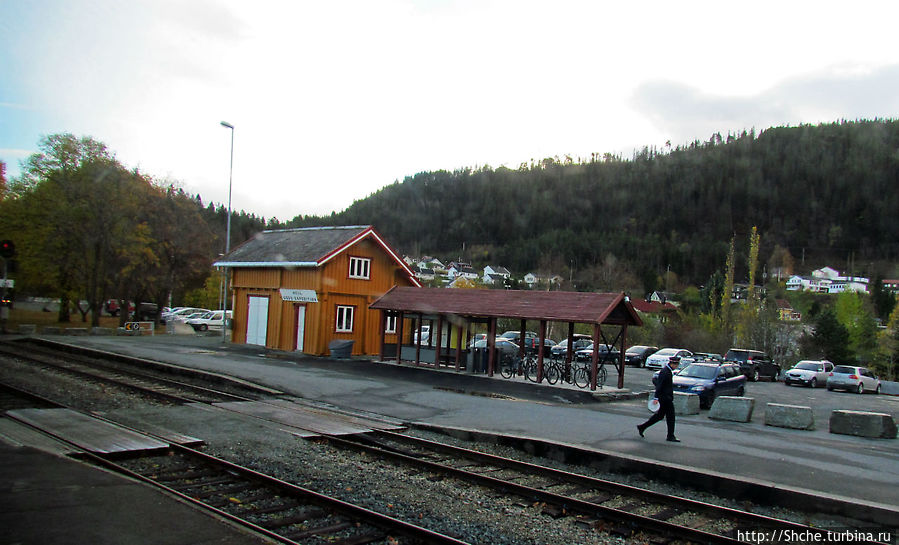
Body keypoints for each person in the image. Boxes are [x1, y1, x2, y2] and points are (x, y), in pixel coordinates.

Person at [637, 356, 680, 442]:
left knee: (659, 416)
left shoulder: (667, 371)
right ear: (673, 363)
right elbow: (659, 385)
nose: (677, 366)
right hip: (665, 398)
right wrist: (656, 398)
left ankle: (642, 427)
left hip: (664, 397)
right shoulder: (665, 372)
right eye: (677, 364)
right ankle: (670, 436)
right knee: (671, 417)